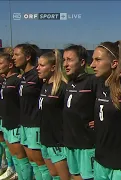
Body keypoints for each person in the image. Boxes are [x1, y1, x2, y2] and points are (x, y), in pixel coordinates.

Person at [90, 41, 121, 179]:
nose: (92, 65)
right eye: (93, 60)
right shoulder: (98, 84)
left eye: (98, 60)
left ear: (114, 63)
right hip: (100, 161)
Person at [13, 43, 49, 179]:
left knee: (41, 163)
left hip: (35, 125)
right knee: (33, 162)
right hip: (24, 124)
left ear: (28, 57)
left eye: (17, 55)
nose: (13, 58)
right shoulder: (24, 76)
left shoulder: (38, 76)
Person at [62, 44, 96, 180]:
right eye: (64, 60)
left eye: (69, 60)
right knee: (75, 175)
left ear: (82, 62)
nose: (65, 64)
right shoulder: (70, 83)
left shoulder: (93, 81)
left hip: (86, 143)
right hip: (70, 142)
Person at [37, 49, 71, 180]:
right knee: (53, 174)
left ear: (52, 68)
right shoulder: (45, 85)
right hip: (45, 139)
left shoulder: (62, 87)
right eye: (38, 65)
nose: (38, 68)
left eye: (41, 65)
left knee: (65, 177)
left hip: (58, 141)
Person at [0, 49, 19, 180]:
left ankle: (14, 169)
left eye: (1, 63)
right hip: (4, 119)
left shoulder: (17, 80)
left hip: (15, 122)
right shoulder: (6, 79)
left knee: (17, 152)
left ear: (10, 65)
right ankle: (8, 166)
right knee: (5, 144)